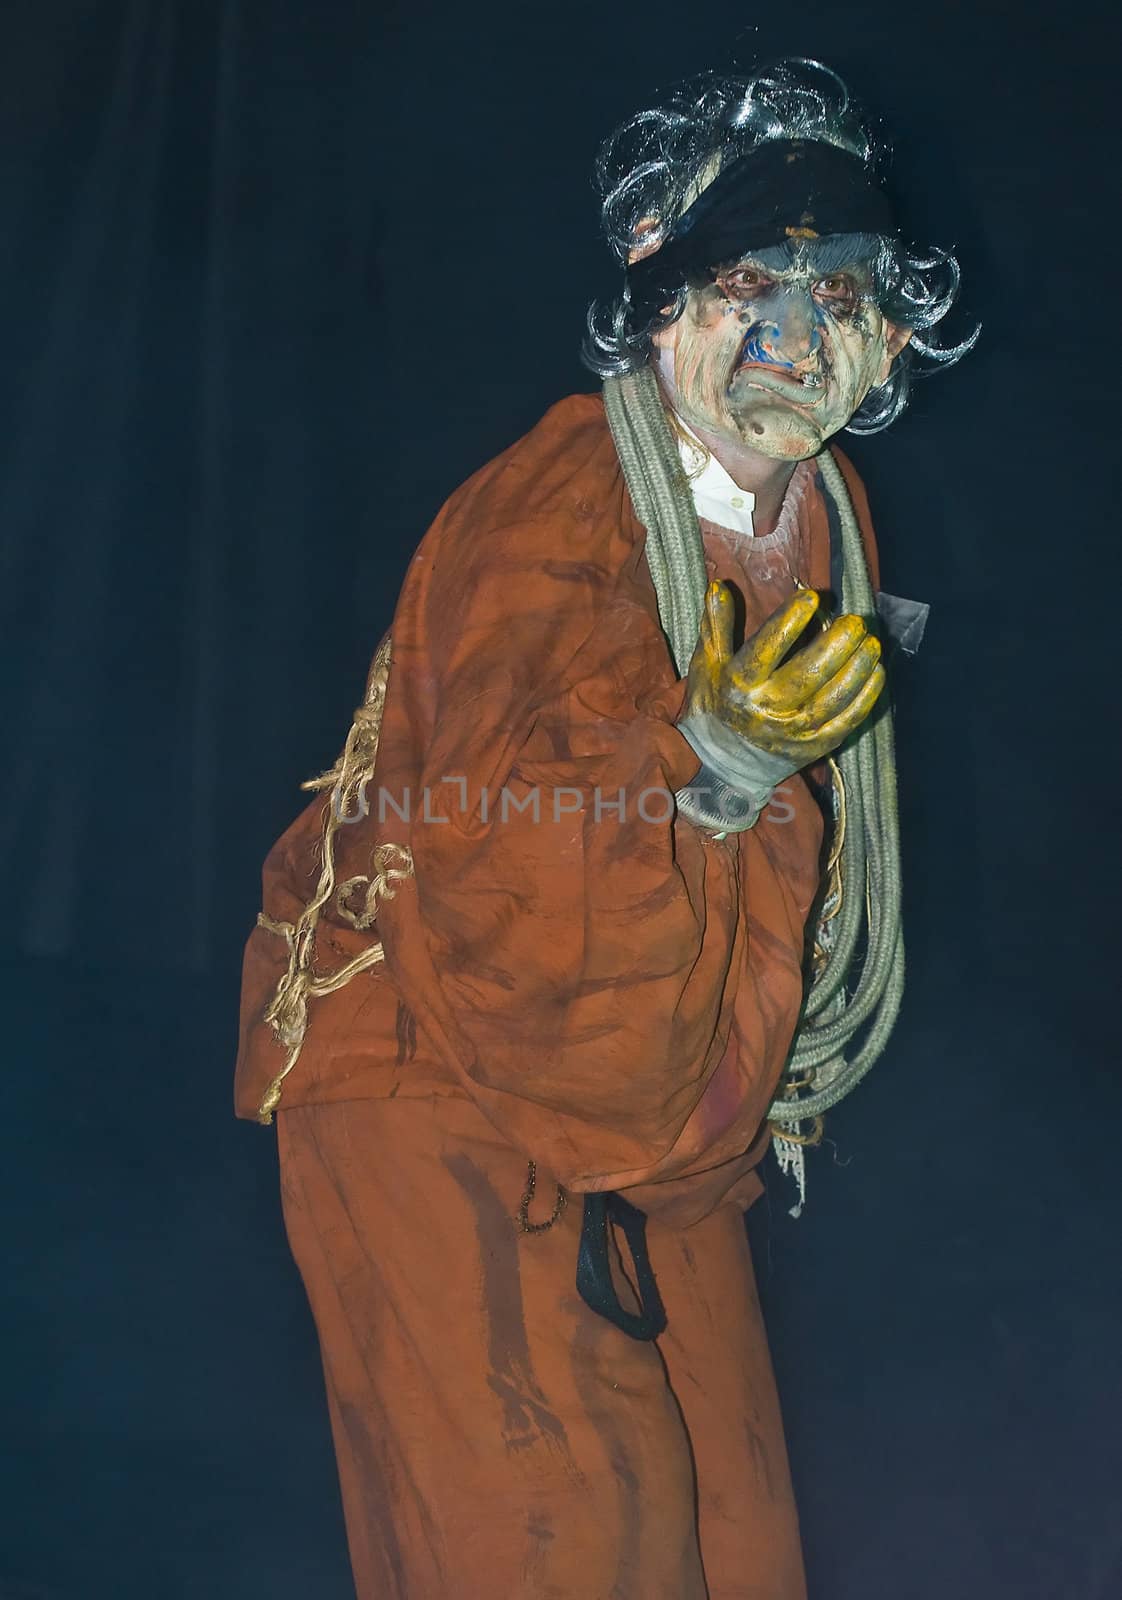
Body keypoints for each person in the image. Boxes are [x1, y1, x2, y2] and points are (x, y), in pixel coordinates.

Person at [235, 57, 973, 1600]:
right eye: (748, 286)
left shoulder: (818, 512)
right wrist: (709, 760)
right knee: (559, 1541)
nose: (788, 339)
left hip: (657, 1082)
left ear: (892, 334)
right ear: (660, 304)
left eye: (836, 299)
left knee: (732, 1537)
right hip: (438, 1070)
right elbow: (503, 871)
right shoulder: (561, 508)